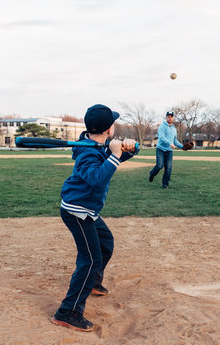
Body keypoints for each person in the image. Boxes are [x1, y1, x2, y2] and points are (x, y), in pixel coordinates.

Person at [51, 104, 138, 332]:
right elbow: (97, 178)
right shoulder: (87, 152)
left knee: (105, 243)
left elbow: (112, 159)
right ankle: (67, 312)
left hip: (87, 210)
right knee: (89, 260)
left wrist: (129, 149)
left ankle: (92, 282)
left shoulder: (97, 145)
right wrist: (116, 154)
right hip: (77, 211)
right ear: (109, 129)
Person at [148, 111, 184, 188]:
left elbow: (175, 141)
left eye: (171, 116)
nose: (170, 118)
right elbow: (161, 137)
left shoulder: (174, 129)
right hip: (160, 149)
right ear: (166, 117)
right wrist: (170, 143)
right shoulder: (162, 126)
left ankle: (165, 184)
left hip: (169, 151)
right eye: (168, 116)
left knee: (168, 168)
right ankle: (152, 173)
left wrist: (183, 147)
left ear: (173, 118)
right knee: (159, 166)